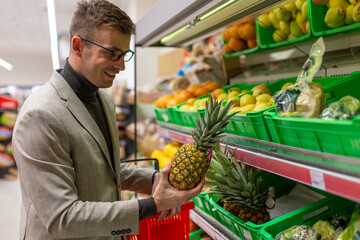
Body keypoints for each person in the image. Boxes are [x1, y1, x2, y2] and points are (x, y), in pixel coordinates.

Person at [12, 0, 204, 239]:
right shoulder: (40, 115)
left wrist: (157, 179)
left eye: (124, 54)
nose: (121, 66)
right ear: (78, 46)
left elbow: (104, 169)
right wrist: (152, 205)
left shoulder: (104, 100)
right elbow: (63, 218)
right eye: (112, 53)